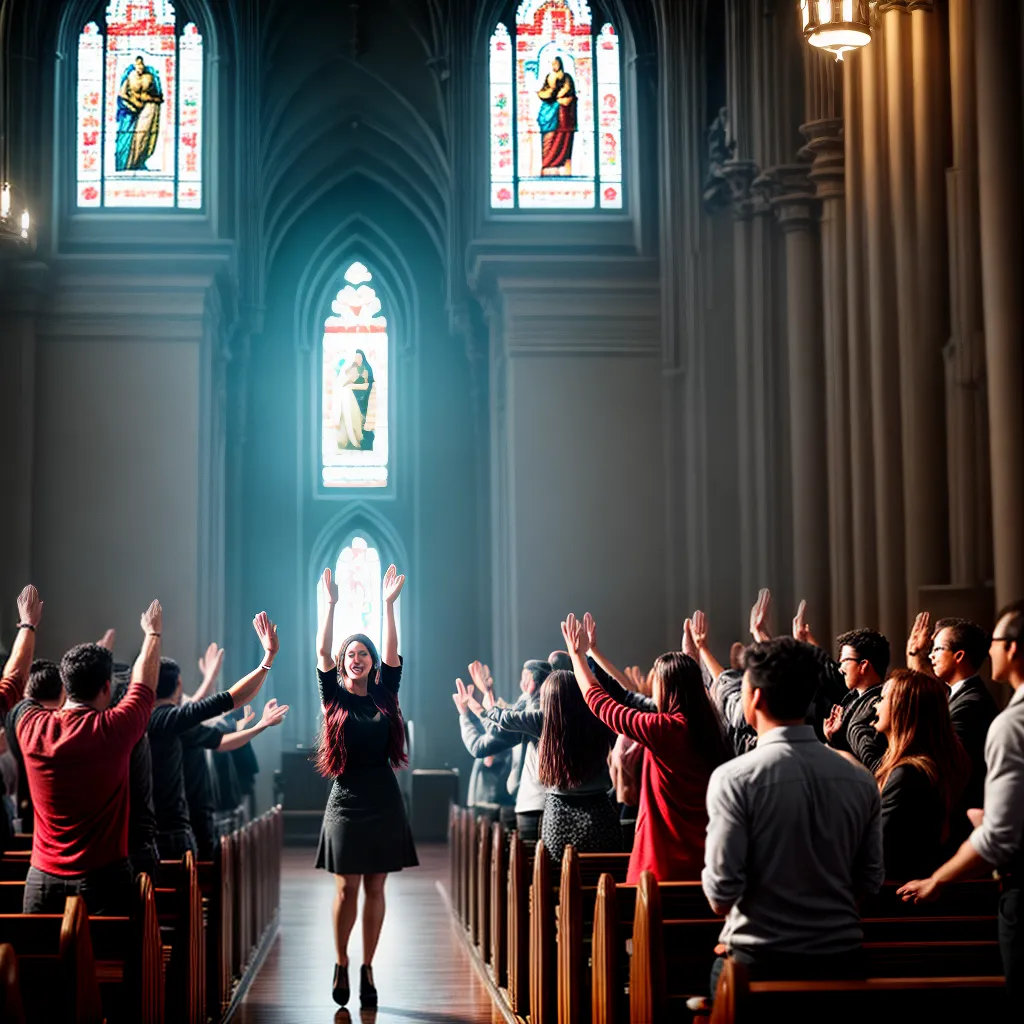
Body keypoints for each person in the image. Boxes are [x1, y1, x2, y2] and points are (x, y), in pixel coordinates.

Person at [702, 637, 884, 993]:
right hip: (841, 959)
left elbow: (721, 896)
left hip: (758, 961)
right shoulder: (860, 779)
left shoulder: (735, 778)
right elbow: (869, 881)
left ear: (754, 697)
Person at [899, 600, 1024, 1007]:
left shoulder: (991, 713)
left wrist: (938, 880)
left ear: (1015, 648)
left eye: (998, 641)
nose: (992, 649)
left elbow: (999, 836)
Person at [13, 595, 162, 914]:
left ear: (64, 688)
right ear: (107, 688)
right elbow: (144, 684)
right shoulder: (115, 729)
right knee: (118, 960)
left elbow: (15, 682)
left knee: (38, 963)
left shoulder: (29, 726)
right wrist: (152, 634)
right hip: (104, 881)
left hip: (41, 882)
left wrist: (27, 625)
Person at [314, 564, 417, 1010]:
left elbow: (395, 651)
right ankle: (341, 960)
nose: (356, 658)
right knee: (345, 888)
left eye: (363, 653)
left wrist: (390, 606)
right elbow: (320, 649)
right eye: (349, 654)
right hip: (346, 799)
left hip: (383, 798)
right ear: (342, 662)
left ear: (372, 662)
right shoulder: (333, 696)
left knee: (377, 887)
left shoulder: (385, 696)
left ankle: (367, 966)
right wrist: (331, 604)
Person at [564, 613, 729, 882]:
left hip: (662, 863)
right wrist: (692, 657)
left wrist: (577, 657)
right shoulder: (712, 727)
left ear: (667, 690)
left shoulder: (664, 729)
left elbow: (602, 705)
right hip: (706, 863)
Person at [148, 614, 279, 859]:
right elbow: (233, 699)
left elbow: (213, 735)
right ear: (178, 684)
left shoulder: (132, 715)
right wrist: (268, 659)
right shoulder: (172, 719)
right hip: (177, 827)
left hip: (143, 831)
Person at [853, 669, 970, 879]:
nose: (875, 705)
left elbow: (875, 850)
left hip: (894, 895)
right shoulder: (922, 767)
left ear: (903, 708)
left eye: (882, 698)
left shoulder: (908, 774)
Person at [907, 612, 996, 814]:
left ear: (959, 656)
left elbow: (943, 764)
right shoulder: (956, 695)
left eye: (937, 649)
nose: (931, 656)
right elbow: (929, 695)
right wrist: (915, 655)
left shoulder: (970, 705)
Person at [455, 660, 550, 839]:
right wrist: (487, 694)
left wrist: (467, 712)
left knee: (533, 862)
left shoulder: (534, 714)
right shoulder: (565, 710)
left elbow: (488, 739)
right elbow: (500, 722)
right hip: (553, 801)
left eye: (524, 678)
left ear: (530, 684)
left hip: (533, 802)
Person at [823, 628, 890, 754]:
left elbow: (869, 761)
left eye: (844, 661)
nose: (840, 669)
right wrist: (833, 737)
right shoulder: (853, 699)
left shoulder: (877, 707)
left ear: (863, 665)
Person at [116, 55, 163, 171]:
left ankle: (138, 161)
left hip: (147, 109)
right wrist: (134, 103)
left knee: (143, 136)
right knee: (127, 137)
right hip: (130, 109)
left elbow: (158, 96)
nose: (140, 67)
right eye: (138, 65)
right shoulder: (129, 76)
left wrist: (149, 99)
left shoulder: (150, 77)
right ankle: (126, 165)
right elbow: (122, 93)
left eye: (142, 65)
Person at [537, 56, 577, 174]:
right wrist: (549, 92)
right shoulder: (549, 77)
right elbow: (545, 90)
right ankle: (547, 162)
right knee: (548, 137)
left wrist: (559, 95)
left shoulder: (566, 77)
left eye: (556, 64)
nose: (554, 66)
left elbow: (567, 89)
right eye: (553, 64)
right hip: (550, 109)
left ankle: (561, 161)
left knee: (562, 136)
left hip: (563, 111)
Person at [334, 350, 375, 451]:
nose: (358, 359)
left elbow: (365, 386)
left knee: (357, 420)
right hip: (351, 397)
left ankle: (356, 438)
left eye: (359, 357)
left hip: (360, 398)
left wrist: (351, 385)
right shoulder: (352, 368)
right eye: (356, 357)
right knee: (348, 418)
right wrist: (348, 384)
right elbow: (347, 380)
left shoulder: (365, 369)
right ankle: (348, 440)